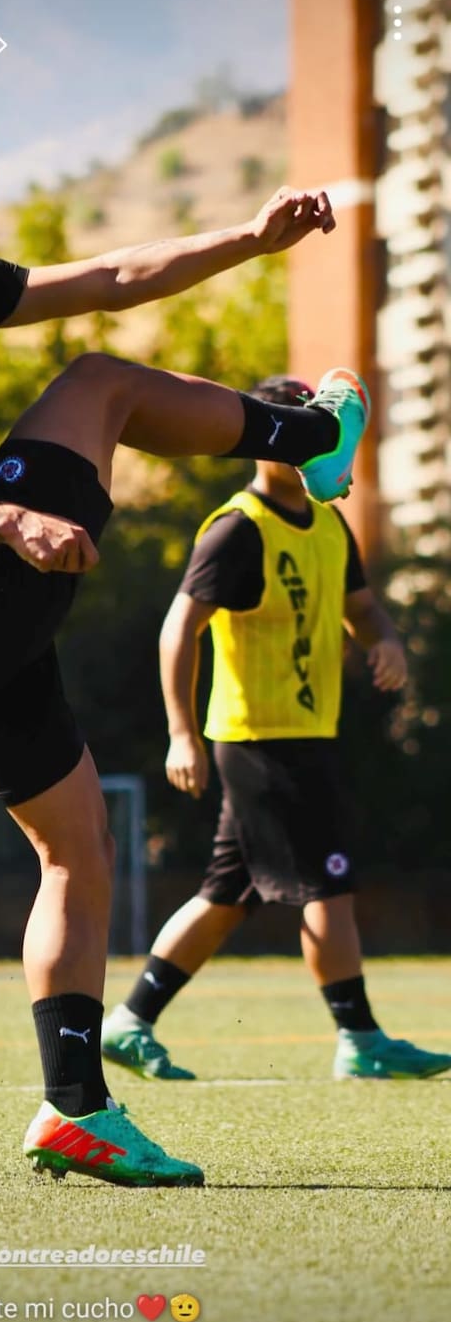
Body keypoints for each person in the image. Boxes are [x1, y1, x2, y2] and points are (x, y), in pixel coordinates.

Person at [0, 87, 372, 1188]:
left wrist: (250, 240)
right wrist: (6, 518)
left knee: (76, 854)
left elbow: (111, 278)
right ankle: (308, 441)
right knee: (97, 384)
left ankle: (76, 1109)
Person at [102, 377, 451, 1084]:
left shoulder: (329, 523)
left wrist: (385, 641)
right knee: (329, 883)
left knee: (227, 894)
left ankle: (130, 1021)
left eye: (319, 428)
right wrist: (181, 732)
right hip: (260, 737)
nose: (304, 441)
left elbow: (365, 609)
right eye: (290, 427)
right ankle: (360, 1037)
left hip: (306, 731)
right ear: (261, 436)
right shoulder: (238, 528)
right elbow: (180, 628)